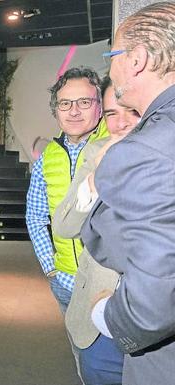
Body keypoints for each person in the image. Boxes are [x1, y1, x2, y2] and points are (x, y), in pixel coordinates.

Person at [81, 3, 175, 384]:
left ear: (135, 59)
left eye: (112, 56)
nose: (110, 69)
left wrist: (106, 315)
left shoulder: (144, 149)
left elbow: (151, 307)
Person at [52, 76, 140, 385]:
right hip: (95, 317)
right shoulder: (97, 152)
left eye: (133, 112)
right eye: (113, 113)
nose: (122, 124)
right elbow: (61, 224)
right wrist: (94, 180)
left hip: (155, 318)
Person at [26, 67, 108, 314]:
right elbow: (36, 216)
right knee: (78, 352)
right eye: (65, 104)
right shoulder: (47, 157)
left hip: (107, 286)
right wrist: (51, 268)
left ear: (100, 106)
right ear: (56, 111)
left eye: (84, 102)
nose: (74, 111)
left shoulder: (113, 149)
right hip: (64, 283)